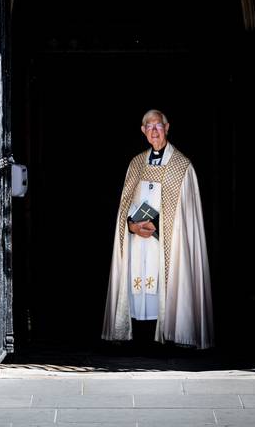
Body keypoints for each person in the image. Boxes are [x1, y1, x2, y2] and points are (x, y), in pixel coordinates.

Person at [102, 109, 214, 349]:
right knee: (136, 284)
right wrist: (130, 226)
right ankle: (137, 336)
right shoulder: (136, 164)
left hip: (167, 243)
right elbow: (124, 207)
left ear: (167, 127)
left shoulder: (182, 167)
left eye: (158, 126)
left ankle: (172, 333)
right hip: (137, 242)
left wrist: (159, 225)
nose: (154, 131)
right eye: (149, 127)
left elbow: (187, 218)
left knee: (165, 282)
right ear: (143, 131)